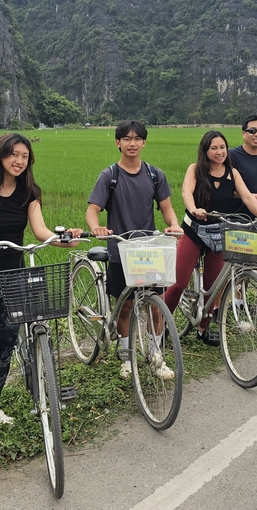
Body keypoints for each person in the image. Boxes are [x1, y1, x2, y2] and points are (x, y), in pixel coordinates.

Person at [0, 133, 80, 436]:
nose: (19, 161)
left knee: (7, 351)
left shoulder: (29, 193)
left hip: (16, 279)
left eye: (25, 156)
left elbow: (40, 232)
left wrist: (66, 239)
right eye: (14, 155)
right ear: (0, 156)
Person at [85, 120, 181, 378]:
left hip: (149, 251)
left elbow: (167, 208)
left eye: (137, 138)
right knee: (126, 305)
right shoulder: (110, 176)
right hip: (122, 251)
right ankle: (126, 357)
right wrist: (97, 228)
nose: (132, 143)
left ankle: (155, 356)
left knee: (156, 304)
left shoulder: (154, 174)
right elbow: (92, 210)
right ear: (118, 142)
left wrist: (173, 225)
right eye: (126, 139)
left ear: (144, 142)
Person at [163, 130, 257, 345]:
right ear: (205, 150)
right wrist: (194, 209)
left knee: (214, 286)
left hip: (219, 233)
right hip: (195, 230)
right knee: (177, 283)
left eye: (222, 147)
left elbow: (247, 196)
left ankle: (203, 329)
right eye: (213, 148)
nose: (219, 152)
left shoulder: (232, 173)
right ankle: (160, 324)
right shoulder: (195, 170)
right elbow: (187, 192)